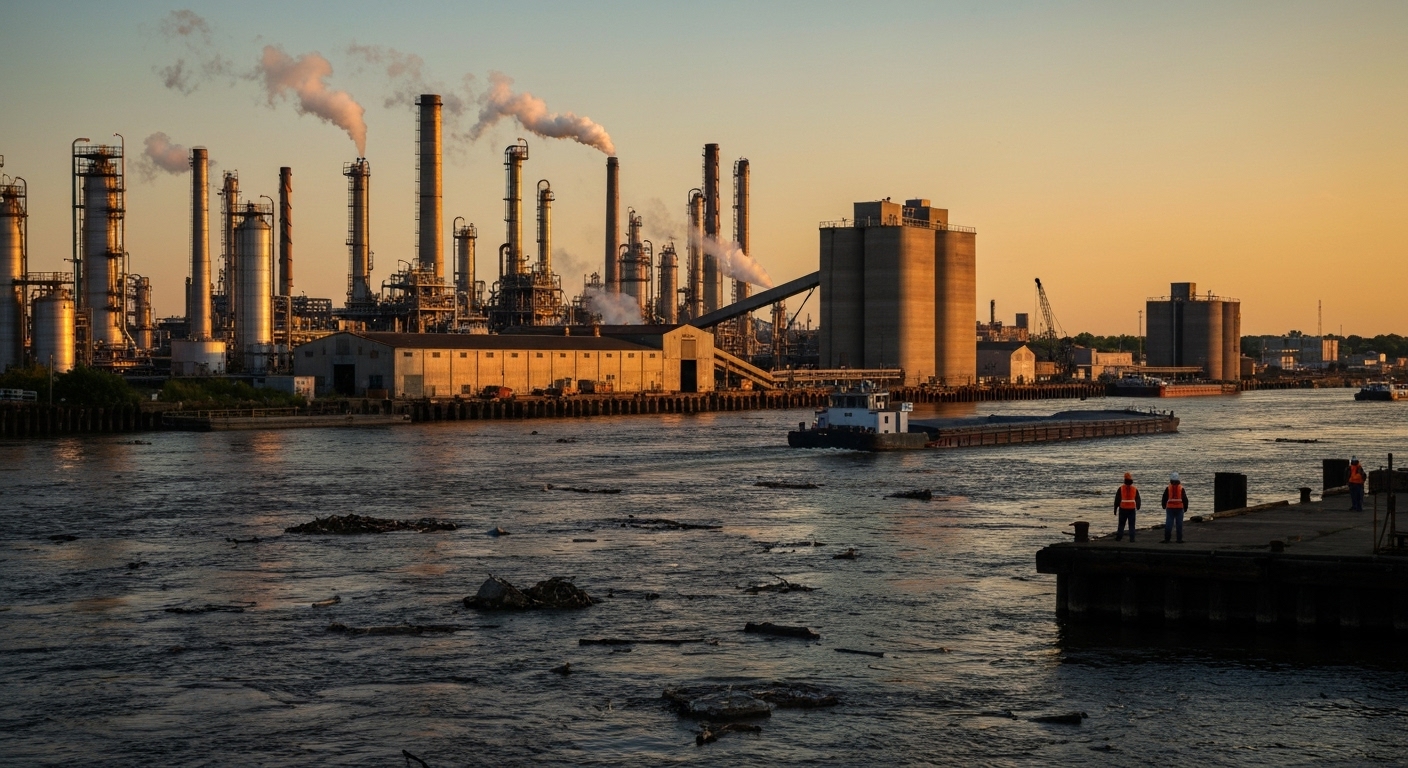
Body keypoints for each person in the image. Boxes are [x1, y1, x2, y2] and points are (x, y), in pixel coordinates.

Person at [1113, 472, 1141, 542]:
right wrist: (1138, 506)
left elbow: (1117, 499)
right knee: (1132, 525)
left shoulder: (1121, 488)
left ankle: (1119, 537)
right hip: (1132, 508)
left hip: (1123, 508)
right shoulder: (1134, 489)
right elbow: (1138, 498)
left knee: (1121, 524)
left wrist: (1115, 509)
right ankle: (1132, 538)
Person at [1162, 472, 1189, 543]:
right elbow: (1185, 499)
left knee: (1169, 524)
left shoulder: (1168, 488)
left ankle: (1167, 539)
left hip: (1170, 508)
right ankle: (1179, 539)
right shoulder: (1181, 488)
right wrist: (1186, 507)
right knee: (1179, 524)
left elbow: (1164, 497)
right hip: (1179, 508)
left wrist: (1163, 505)